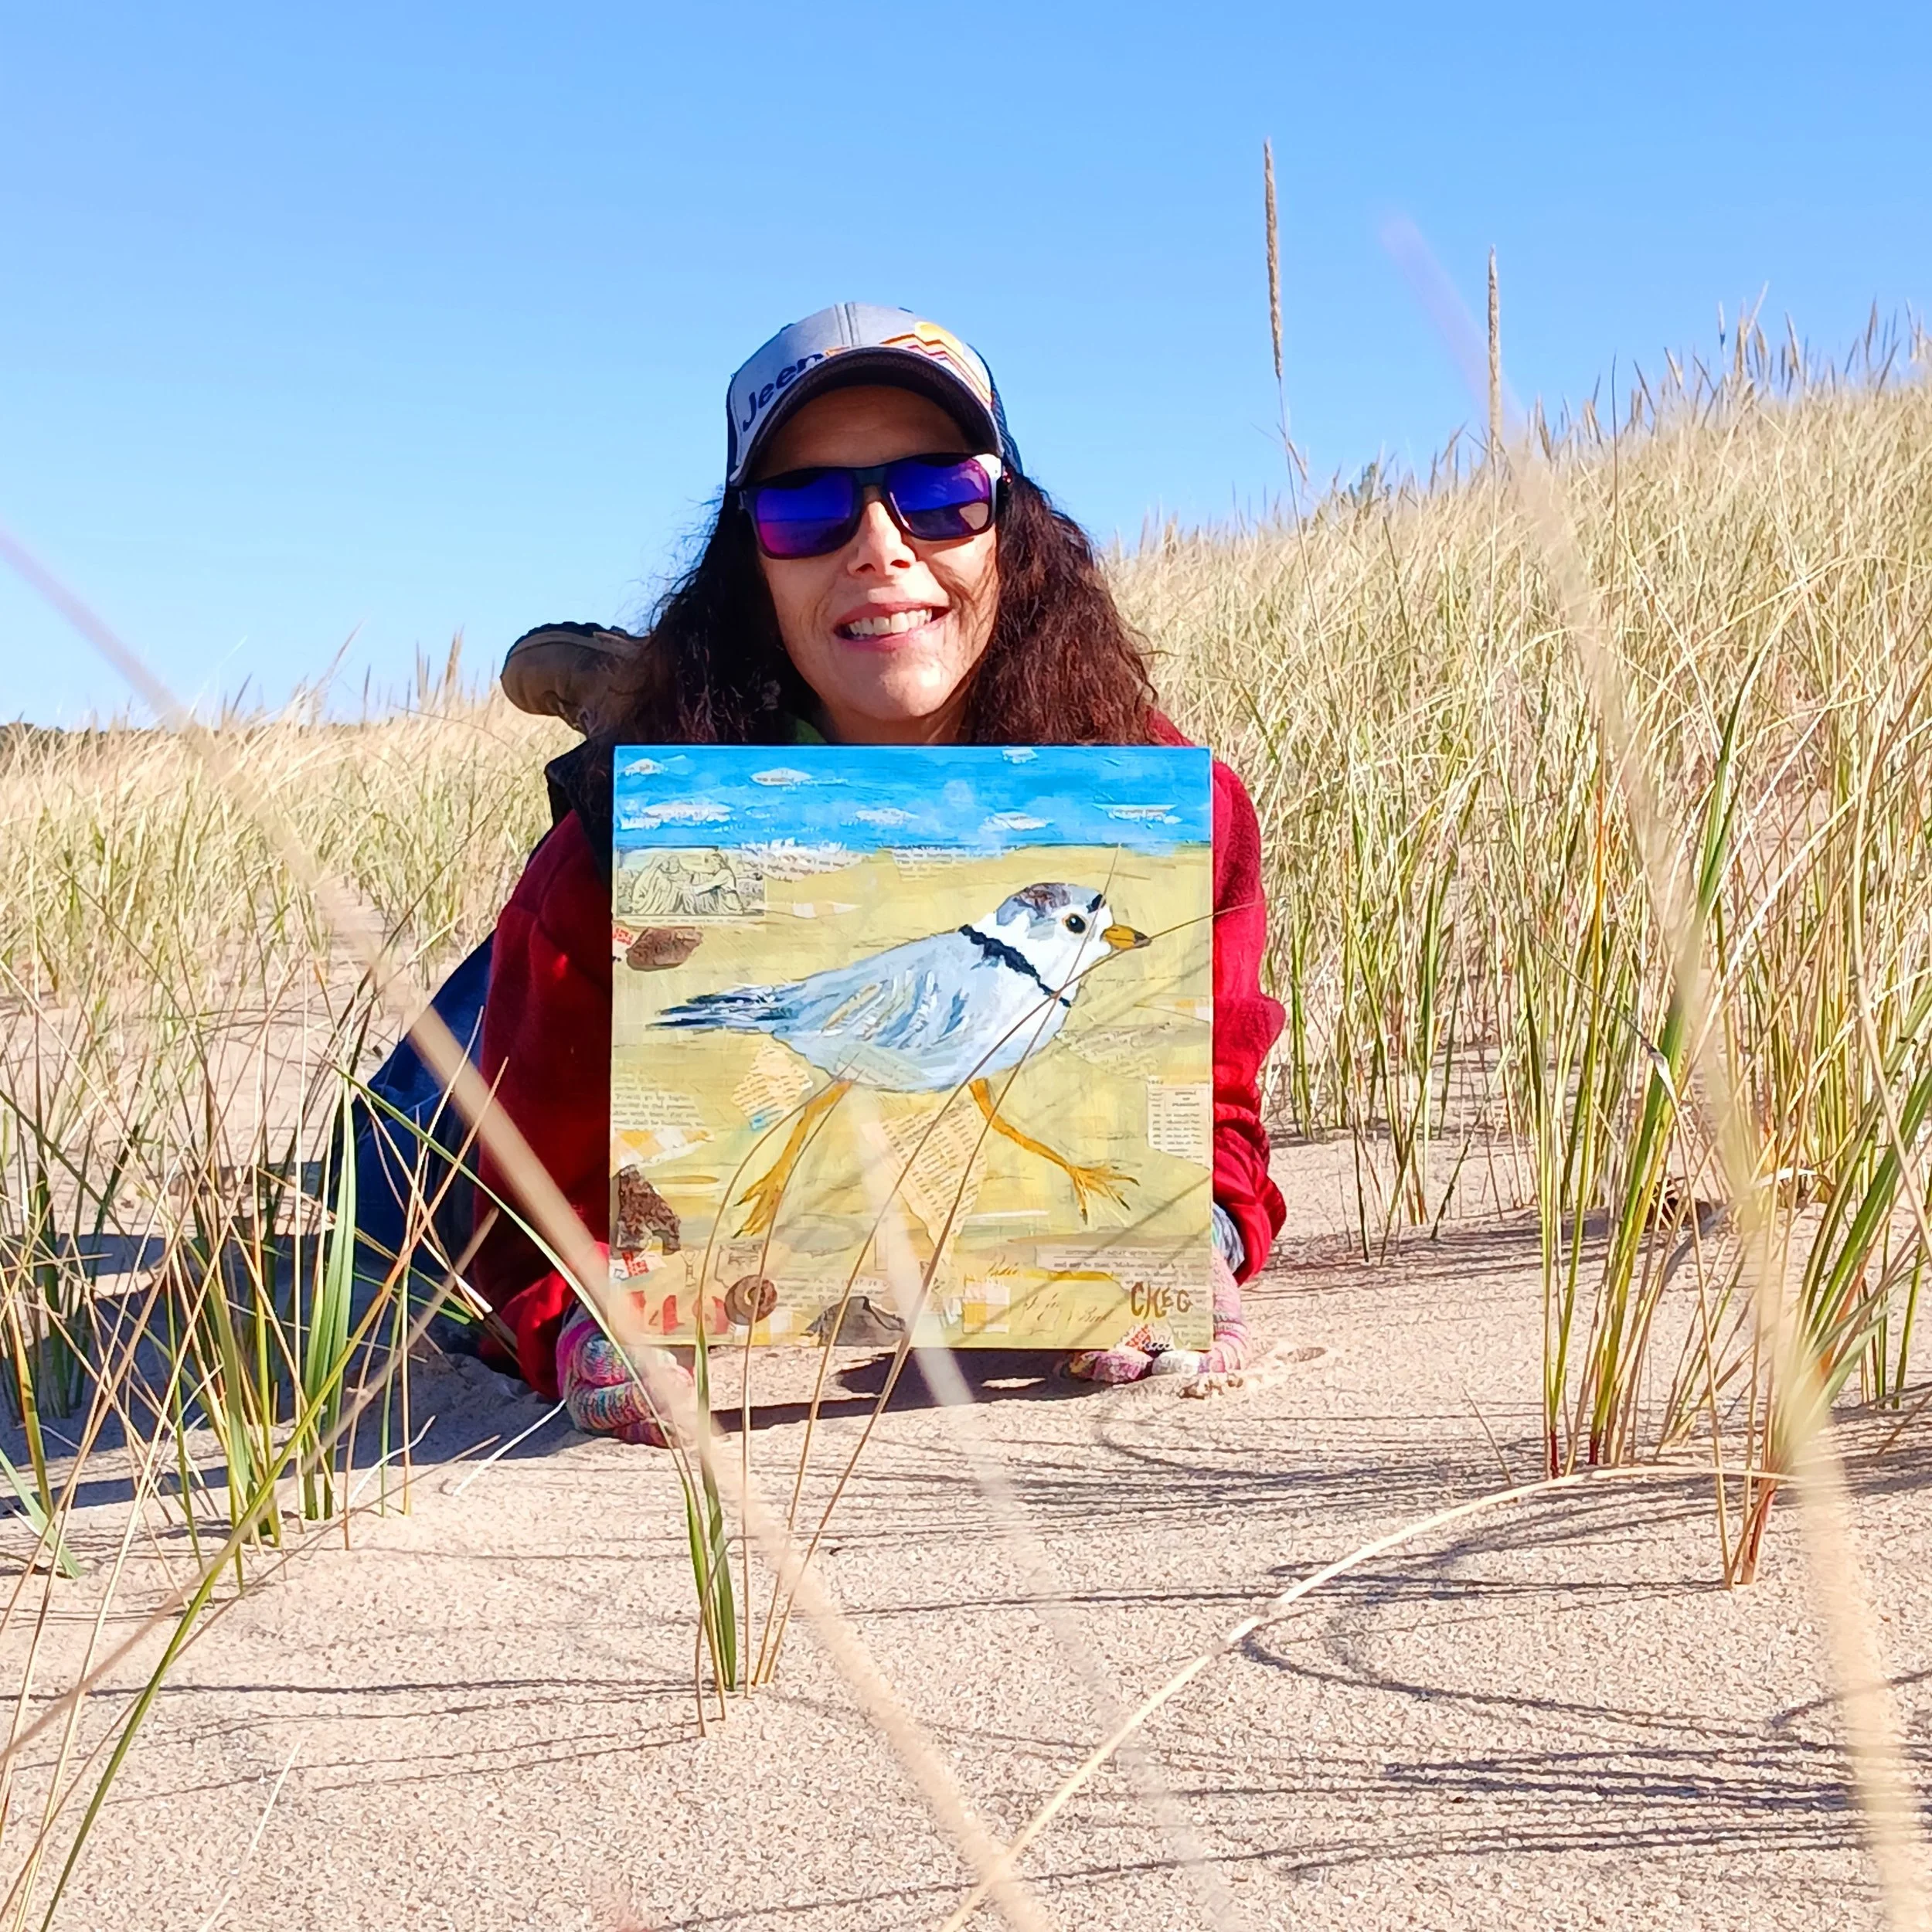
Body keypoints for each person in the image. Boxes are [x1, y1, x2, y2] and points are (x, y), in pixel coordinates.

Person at [472, 303, 1286, 1444]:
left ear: (1014, 527)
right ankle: (635, 709)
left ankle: (632, 689)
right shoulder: (607, 852)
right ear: (746, 564)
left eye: (940, 495)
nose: (881, 545)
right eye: (806, 510)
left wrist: (1190, 1235)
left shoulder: (1165, 808)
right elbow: (508, 1208)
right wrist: (579, 1320)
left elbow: (1218, 1108)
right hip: (621, 950)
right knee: (380, 1172)